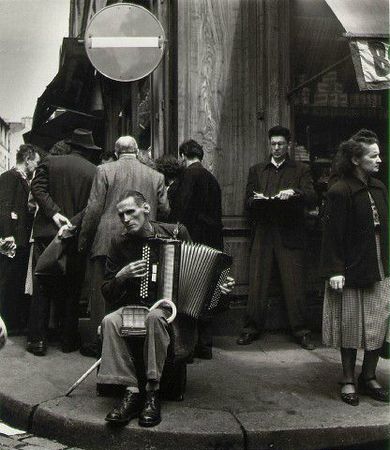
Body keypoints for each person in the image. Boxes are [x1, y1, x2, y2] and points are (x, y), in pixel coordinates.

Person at [99, 191, 234, 427]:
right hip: (135, 307)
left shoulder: (175, 233)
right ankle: (131, 391)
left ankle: (152, 392)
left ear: (147, 209)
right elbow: (107, 291)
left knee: (154, 317)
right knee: (110, 321)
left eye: (131, 212)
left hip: (170, 311)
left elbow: (203, 276)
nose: (126, 219)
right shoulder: (119, 243)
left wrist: (219, 287)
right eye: (121, 215)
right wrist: (122, 276)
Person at [78, 136, 169, 356]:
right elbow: (165, 210)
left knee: (104, 295)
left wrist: (83, 242)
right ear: (137, 152)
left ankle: (103, 347)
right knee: (144, 293)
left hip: (107, 239)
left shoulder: (104, 170)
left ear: (117, 153)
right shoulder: (156, 176)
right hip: (147, 242)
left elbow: (93, 210)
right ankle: (140, 346)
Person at [320, 130, 389, 406]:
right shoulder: (340, 191)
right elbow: (332, 235)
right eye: (373, 156)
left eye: (379, 154)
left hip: (380, 266)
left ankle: (368, 376)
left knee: (379, 323)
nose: (379, 160)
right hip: (349, 269)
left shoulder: (380, 188)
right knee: (349, 325)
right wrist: (335, 269)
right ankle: (349, 379)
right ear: (356, 160)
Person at [237, 125, 317, 349]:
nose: (277, 148)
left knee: (294, 284)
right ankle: (250, 328)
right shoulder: (257, 170)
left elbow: (312, 197)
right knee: (257, 284)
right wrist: (259, 199)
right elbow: (247, 202)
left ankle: (301, 331)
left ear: (288, 144)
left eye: (281, 144)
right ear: (269, 144)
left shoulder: (300, 170)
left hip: (290, 232)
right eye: (273, 144)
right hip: (263, 231)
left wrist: (295, 193)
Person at [26, 128, 99, 356]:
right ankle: (68, 339)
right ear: (88, 150)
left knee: (42, 284)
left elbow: (36, 188)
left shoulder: (50, 162)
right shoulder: (94, 171)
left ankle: (38, 340)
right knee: (72, 287)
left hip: (46, 233)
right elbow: (93, 206)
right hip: (75, 235)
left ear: (71, 145)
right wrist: (73, 223)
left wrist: (54, 213)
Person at [169, 140, 223, 359]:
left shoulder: (187, 177)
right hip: (212, 241)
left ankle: (188, 348)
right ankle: (206, 344)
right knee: (208, 291)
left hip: (192, 241)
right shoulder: (212, 178)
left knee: (188, 292)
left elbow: (182, 210)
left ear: (183, 155)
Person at [0, 144, 41, 334]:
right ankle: (7, 322)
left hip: (20, 238)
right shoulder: (10, 177)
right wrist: (7, 235)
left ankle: (12, 321)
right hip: (13, 239)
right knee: (8, 280)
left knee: (14, 280)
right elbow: (5, 207)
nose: (37, 166)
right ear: (28, 159)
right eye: (36, 162)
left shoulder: (23, 179)